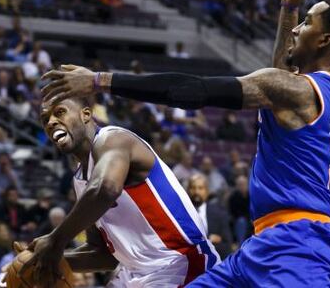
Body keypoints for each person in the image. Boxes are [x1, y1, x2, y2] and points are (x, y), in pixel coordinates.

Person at [41, 0, 330, 286]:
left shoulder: (297, 92)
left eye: (307, 22)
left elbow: (191, 89)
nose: (297, 29)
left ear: (326, 40)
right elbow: (279, 76)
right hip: (264, 244)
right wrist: (288, 9)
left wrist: (99, 81)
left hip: (300, 247)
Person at [21, 97, 220, 287]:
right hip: (135, 274)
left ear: (86, 114)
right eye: (45, 119)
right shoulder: (80, 179)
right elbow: (102, 254)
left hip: (181, 263)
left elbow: (106, 188)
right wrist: (48, 260)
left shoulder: (114, 139)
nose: (51, 122)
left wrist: (55, 241)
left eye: (60, 113)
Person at [187, 174, 232, 259]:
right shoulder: (181, 214)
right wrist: (208, 240)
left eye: (200, 188)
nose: (196, 192)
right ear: (188, 190)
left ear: (207, 191)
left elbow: (227, 245)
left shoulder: (219, 213)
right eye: (193, 188)